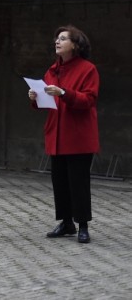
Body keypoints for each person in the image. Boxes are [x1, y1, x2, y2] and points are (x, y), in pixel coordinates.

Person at [28, 25, 99, 244]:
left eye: (63, 38)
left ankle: (83, 225)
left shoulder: (88, 69)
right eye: (57, 38)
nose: (57, 42)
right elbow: (46, 103)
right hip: (56, 134)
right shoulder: (52, 70)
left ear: (75, 45)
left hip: (78, 135)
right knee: (60, 181)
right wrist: (35, 98)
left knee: (78, 182)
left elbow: (88, 100)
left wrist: (64, 93)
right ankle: (67, 222)